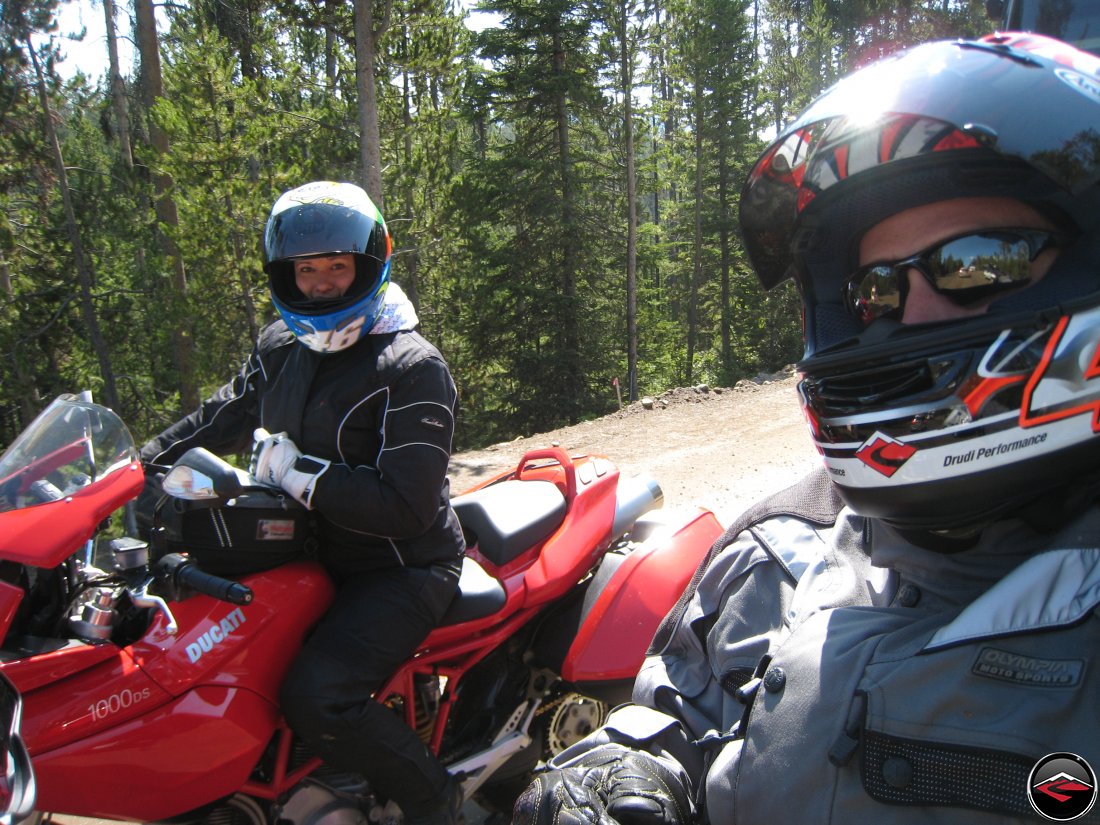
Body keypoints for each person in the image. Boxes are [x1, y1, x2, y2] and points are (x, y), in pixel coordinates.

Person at [512, 32, 1100, 825]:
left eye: (976, 263)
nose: (911, 318)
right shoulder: (779, 548)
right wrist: (626, 770)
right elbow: (681, 712)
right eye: (875, 290)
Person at [140, 181, 465, 825]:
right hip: (308, 556)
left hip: (400, 566)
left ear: (367, 266)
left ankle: (437, 801)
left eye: (336, 268)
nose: (320, 285)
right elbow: (215, 419)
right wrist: (135, 468)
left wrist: (301, 476)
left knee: (317, 695)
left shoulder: (411, 366)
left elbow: (408, 506)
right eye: (306, 270)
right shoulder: (281, 348)